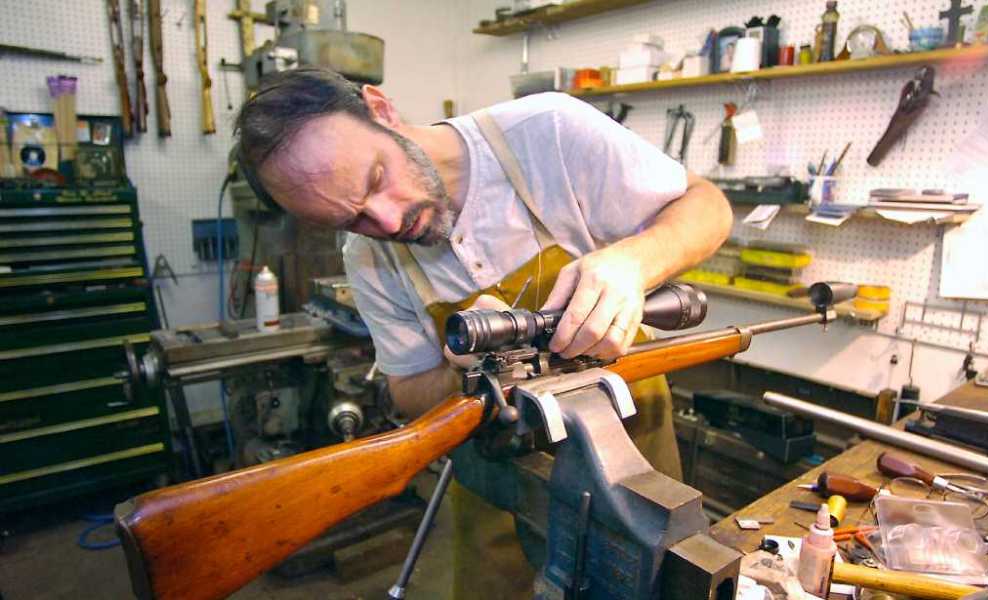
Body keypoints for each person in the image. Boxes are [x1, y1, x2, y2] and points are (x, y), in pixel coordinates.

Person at [235, 66, 732, 599]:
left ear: (379, 109)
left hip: (629, 461)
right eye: (351, 219)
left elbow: (708, 206)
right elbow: (408, 393)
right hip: (500, 483)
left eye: (377, 179)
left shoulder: (548, 131)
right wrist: (459, 369)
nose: (387, 221)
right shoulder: (368, 259)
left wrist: (634, 262)